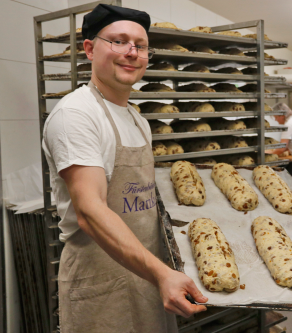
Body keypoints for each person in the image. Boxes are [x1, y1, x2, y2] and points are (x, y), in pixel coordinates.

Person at [42, 5, 206, 332]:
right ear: (89, 48)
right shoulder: (76, 115)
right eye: (118, 41)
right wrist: (162, 274)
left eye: (140, 45)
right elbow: (90, 211)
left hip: (148, 275)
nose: (131, 52)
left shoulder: (137, 118)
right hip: (102, 284)